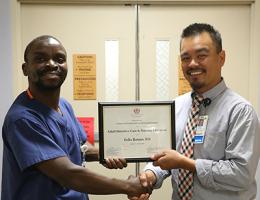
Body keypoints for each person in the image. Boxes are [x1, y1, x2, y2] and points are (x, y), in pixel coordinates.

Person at [1, 35, 151, 200]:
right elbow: (67, 174)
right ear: (25, 68)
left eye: (59, 59)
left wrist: (106, 153)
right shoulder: (23, 119)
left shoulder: (64, 106)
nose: (52, 64)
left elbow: (80, 146)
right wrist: (129, 186)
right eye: (40, 58)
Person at [137, 23, 260, 200]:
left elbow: (241, 174)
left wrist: (187, 164)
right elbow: (165, 155)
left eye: (201, 56)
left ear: (221, 58)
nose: (192, 63)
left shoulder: (241, 112)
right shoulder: (175, 106)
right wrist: (150, 175)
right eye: (185, 58)